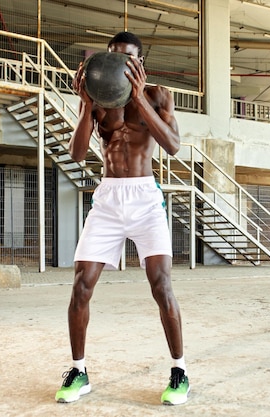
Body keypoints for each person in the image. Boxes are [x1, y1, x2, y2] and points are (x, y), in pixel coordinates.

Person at [55, 31, 189, 406]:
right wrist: (84, 105)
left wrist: (139, 97)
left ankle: (179, 371)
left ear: (139, 64)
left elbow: (173, 145)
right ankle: (79, 371)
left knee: (161, 285)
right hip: (110, 198)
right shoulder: (98, 100)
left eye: (127, 60)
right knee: (81, 285)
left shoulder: (159, 95)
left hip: (145, 198)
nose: (119, 66)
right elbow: (79, 154)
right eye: (113, 58)